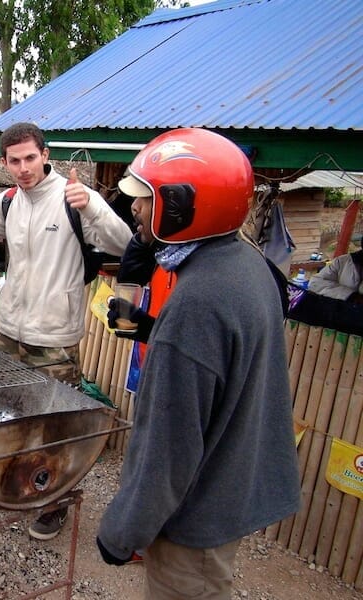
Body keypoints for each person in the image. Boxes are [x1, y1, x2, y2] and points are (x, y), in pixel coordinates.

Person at [96, 128, 300, 599]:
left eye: (146, 198)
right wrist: (154, 330)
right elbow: (224, 363)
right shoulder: (245, 265)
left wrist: (122, 532)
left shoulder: (198, 301)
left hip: (196, 518)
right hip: (230, 485)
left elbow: (168, 450)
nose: (135, 208)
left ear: (185, 204)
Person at [0, 121, 132, 540]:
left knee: (54, 426)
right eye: (14, 160)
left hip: (54, 338)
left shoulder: (72, 199)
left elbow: (124, 244)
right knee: (3, 412)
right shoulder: (10, 202)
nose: (23, 167)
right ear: (4, 162)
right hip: (9, 331)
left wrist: (91, 206)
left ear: (45, 155)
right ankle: (15, 486)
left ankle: (55, 504)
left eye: (30, 157)